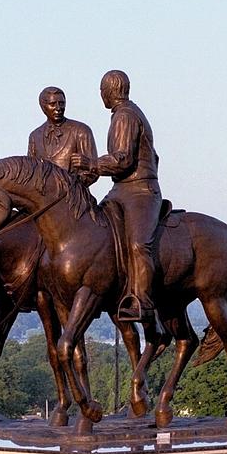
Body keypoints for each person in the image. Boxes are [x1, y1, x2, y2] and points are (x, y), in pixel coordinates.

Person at [72, 70, 161, 323]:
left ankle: (142, 300)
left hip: (139, 191)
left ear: (110, 91)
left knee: (137, 243)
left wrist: (91, 164)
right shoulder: (121, 115)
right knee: (95, 232)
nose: (101, 97)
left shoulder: (126, 116)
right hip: (120, 189)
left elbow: (122, 159)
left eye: (102, 92)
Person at [27, 86, 98, 186]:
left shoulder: (81, 130)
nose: (58, 108)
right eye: (52, 104)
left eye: (61, 103)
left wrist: (72, 186)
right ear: (43, 107)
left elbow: (92, 170)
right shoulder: (35, 136)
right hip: (44, 199)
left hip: (75, 197)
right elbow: (31, 171)